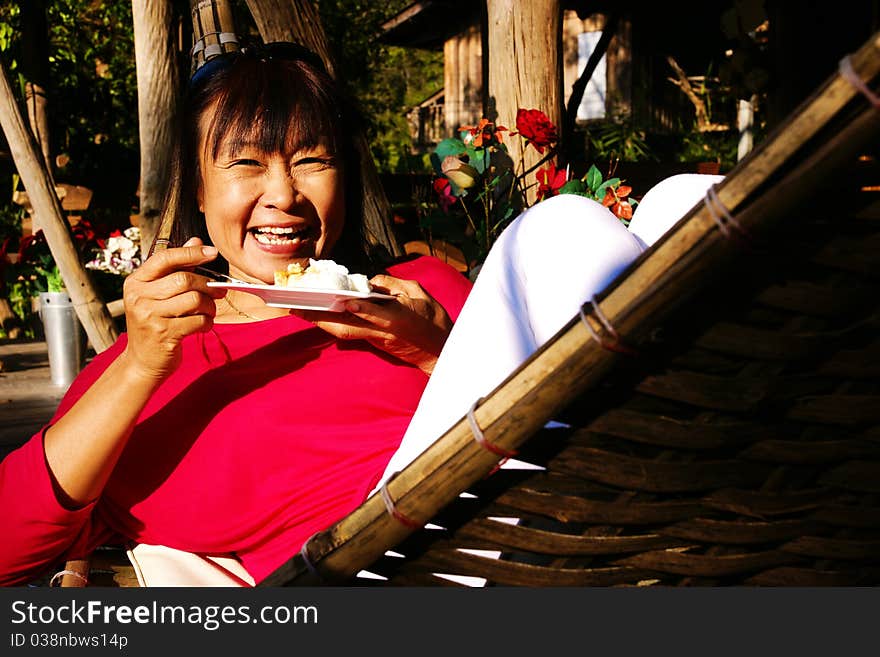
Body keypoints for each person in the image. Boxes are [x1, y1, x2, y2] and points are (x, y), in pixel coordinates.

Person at [0, 40, 722, 587]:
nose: (283, 193)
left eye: (312, 159)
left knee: (680, 203)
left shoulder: (418, 288)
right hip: (390, 574)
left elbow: (557, 417)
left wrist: (434, 350)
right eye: (247, 164)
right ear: (196, 187)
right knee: (558, 229)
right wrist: (138, 364)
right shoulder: (147, 370)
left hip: (565, 510)